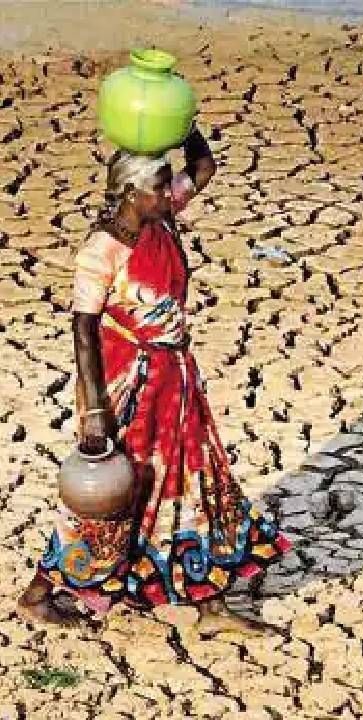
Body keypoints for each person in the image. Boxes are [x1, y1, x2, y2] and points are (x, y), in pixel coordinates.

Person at [16, 128, 291, 631]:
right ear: (130, 193)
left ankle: (210, 602)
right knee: (117, 494)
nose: (171, 193)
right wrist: (96, 411)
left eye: (169, 187)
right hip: (133, 388)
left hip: (177, 381)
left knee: (198, 480)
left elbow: (203, 167)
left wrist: (182, 126)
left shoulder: (161, 220)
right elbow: (84, 329)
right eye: (159, 188)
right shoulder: (101, 252)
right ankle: (40, 591)